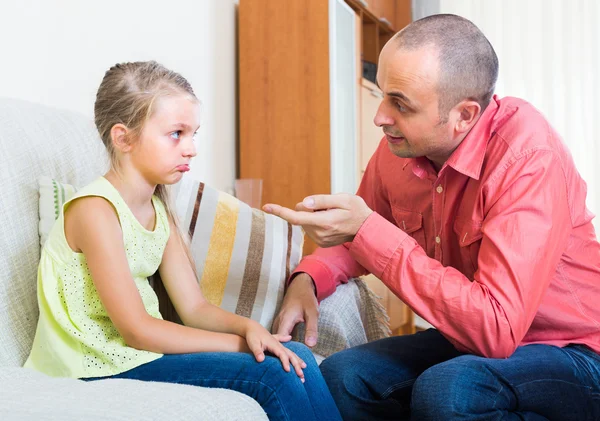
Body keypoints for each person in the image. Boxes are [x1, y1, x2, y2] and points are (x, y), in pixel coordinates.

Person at [263, 14, 600, 421]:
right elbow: (358, 236)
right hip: (470, 343)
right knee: (342, 376)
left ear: (464, 115)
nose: (380, 116)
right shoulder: (398, 150)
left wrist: (368, 230)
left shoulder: (528, 158)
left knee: (449, 391)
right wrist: (308, 278)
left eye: (400, 104)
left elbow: (496, 330)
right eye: (384, 95)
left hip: (573, 350)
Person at [24, 61, 342, 421]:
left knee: (297, 357)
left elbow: (195, 309)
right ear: (123, 137)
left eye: (193, 134)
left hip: (130, 356)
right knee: (275, 373)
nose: (191, 149)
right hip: (90, 364)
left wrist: (249, 327)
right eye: (176, 134)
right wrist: (242, 345)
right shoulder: (95, 210)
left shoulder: (160, 211)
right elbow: (138, 330)